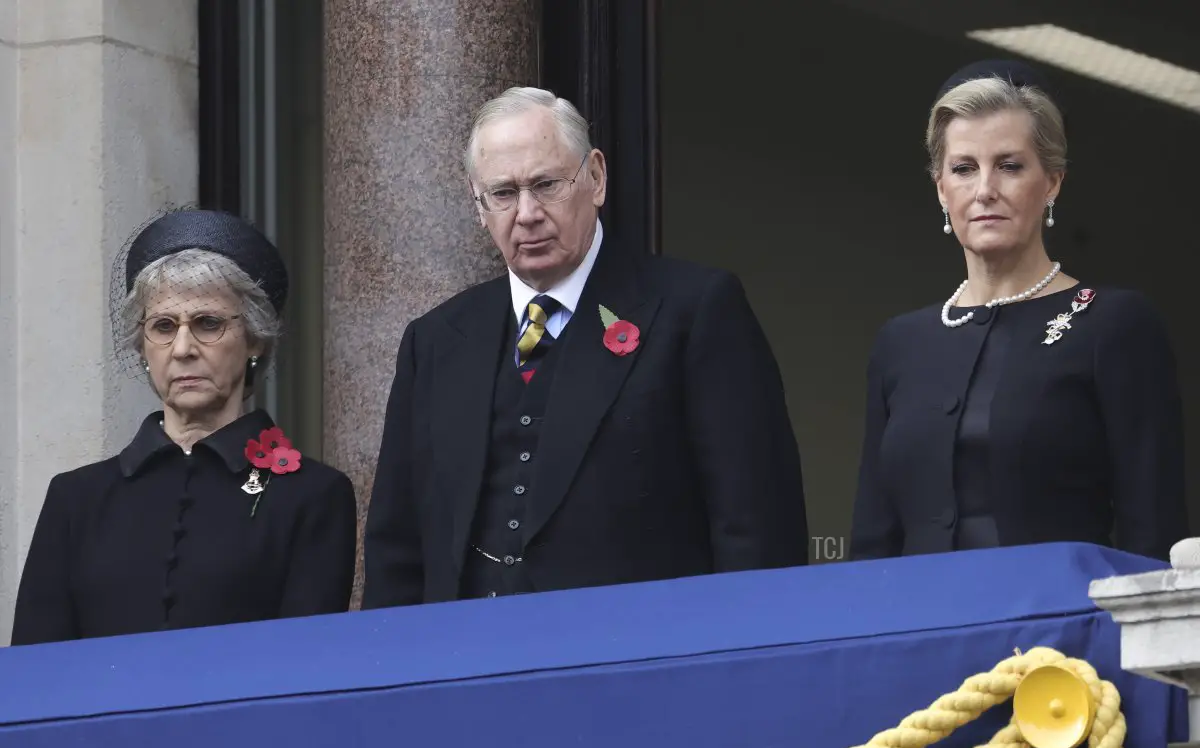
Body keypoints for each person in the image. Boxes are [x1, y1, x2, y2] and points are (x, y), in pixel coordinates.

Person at [363, 87, 807, 606]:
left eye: (546, 184)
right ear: (478, 205)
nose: (526, 213)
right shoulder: (436, 340)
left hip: (637, 660)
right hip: (469, 665)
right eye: (503, 193)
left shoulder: (696, 310)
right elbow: (397, 547)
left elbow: (755, 527)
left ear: (595, 178)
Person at [850, 60, 1189, 562]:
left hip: (1059, 630)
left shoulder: (1113, 324)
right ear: (941, 189)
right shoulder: (901, 342)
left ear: (1052, 181)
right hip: (921, 626)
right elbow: (873, 539)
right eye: (964, 169)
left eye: (1009, 166)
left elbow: (1153, 530)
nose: (985, 189)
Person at [10, 209, 358, 645]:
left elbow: (303, 666)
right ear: (143, 348)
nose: (182, 348)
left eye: (208, 323)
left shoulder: (313, 495)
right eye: (163, 326)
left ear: (254, 339)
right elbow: (37, 675)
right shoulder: (76, 500)